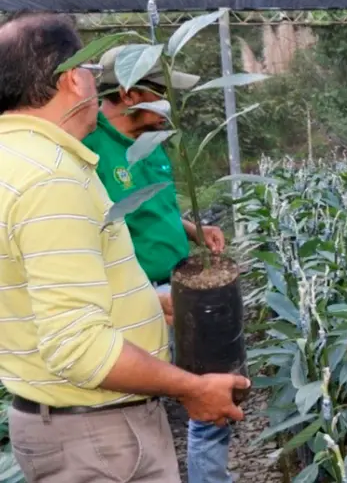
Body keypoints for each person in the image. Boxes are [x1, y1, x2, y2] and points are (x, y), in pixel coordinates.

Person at [0, 12, 248, 483]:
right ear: (74, 79)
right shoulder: (51, 177)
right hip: (99, 442)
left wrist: (150, 305)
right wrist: (190, 388)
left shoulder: (12, 159)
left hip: (66, 428)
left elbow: (40, 292)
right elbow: (78, 346)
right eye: (92, 75)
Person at [81, 46, 233, 483]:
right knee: (145, 401)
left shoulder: (153, 142)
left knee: (213, 384)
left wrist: (192, 230)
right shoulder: (90, 147)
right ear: (130, 93)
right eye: (162, 93)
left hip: (177, 284)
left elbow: (152, 206)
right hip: (133, 297)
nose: (170, 106)